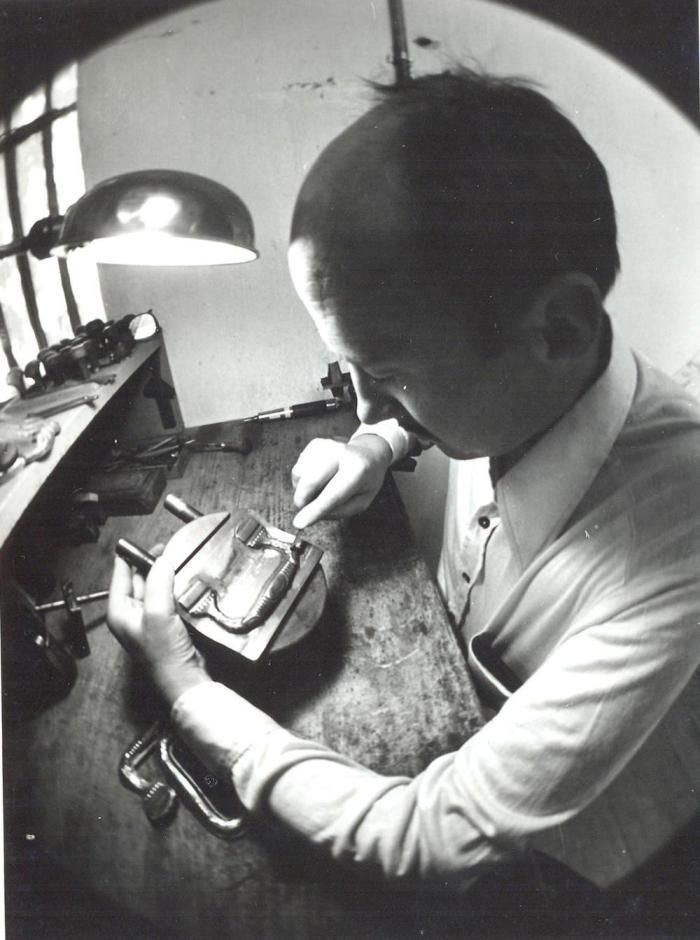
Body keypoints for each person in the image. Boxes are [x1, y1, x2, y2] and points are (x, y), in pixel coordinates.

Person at [108, 70, 700, 902]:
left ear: (558, 329)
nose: (359, 402)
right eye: (349, 369)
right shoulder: (523, 384)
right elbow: (430, 402)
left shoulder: (680, 540)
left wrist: (185, 685)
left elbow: (432, 836)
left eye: (387, 373)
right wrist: (378, 442)